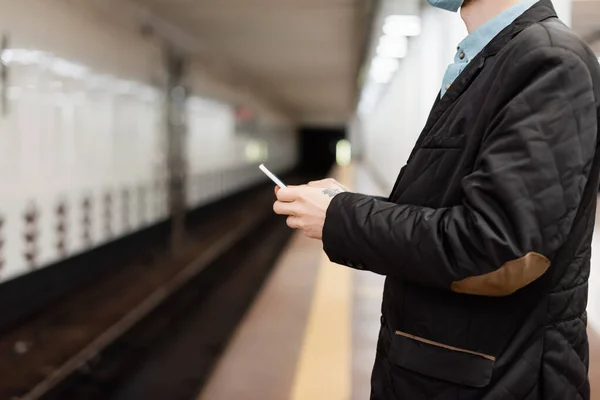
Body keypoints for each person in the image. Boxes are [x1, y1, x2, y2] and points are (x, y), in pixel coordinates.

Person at [273, 0, 600, 398]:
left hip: (500, 381)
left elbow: (497, 249)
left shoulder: (549, 62)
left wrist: (341, 217)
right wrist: (344, 203)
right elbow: (450, 211)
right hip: (455, 373)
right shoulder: (494, 59)